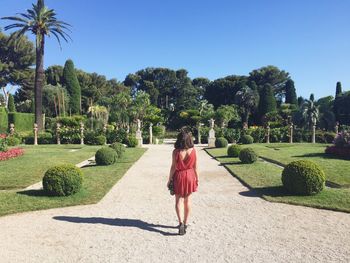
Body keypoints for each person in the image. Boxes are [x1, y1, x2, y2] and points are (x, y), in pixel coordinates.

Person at [167, 130, 199, 235]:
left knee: (178, 201)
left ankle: (180, 223)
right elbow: (195, 167)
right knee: (188, 200)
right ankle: (185, 223)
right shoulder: (194, 151)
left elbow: (173, 167)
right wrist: (197, 178)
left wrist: (169, 179)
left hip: (179, 176)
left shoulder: (176, 152)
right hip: (190, 176)